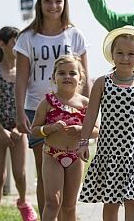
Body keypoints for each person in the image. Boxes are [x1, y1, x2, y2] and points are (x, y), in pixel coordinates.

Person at [14, 0, 91, 217]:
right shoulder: (28, 37)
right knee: (44, 172)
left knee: (69, 185)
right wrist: (19, 112)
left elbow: (85, 79)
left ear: (65, 3)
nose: (53, 6)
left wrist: (89, 116)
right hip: (38, 111)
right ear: (40, 3)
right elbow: (21, 78)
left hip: (73, 113)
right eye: (48, 0)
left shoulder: (74, 34)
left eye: (58, 0)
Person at [78, 26, 134, 221]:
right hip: (110, 152)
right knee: (111, 201)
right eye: (120, 53)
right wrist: (83, 141)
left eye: (131, 53)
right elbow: (91, 114)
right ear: (112, 55)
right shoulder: (102, 83)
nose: (125, 58)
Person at [30, 55, 98, 221]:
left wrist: (81, 129)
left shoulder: (85, 103)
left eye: (72, 73)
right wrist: (49, 128)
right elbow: (34, 130)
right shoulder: (47, 102)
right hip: (52, 155)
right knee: (52, 202)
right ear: (54, 77)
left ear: (80, 77)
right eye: (61, 73)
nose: (67, 76)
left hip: (75, 157)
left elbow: (97, 130)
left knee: (69, 206)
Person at [0, 26, 38, 221]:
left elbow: (30, 102)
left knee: (20, 174)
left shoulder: (25, 73)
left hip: (19, 128)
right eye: (14, 42)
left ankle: (23, 202)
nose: (18, 46)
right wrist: (0, 131)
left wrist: (17, 128)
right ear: (2, 44)